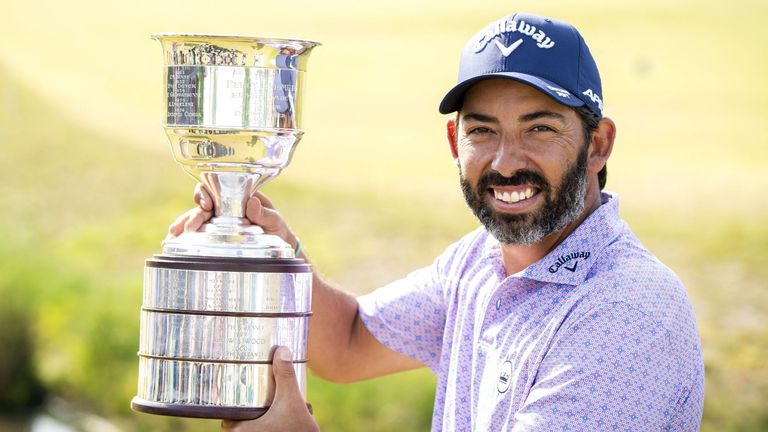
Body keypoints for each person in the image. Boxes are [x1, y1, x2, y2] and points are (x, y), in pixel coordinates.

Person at [170, 12, 705, 431]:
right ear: (455, 142)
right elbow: (350, 344)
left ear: (598, 144)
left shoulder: (629, 308)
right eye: (483, 130)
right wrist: (273, 253)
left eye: (540, 128)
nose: (505, 161)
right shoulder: (476, 260)